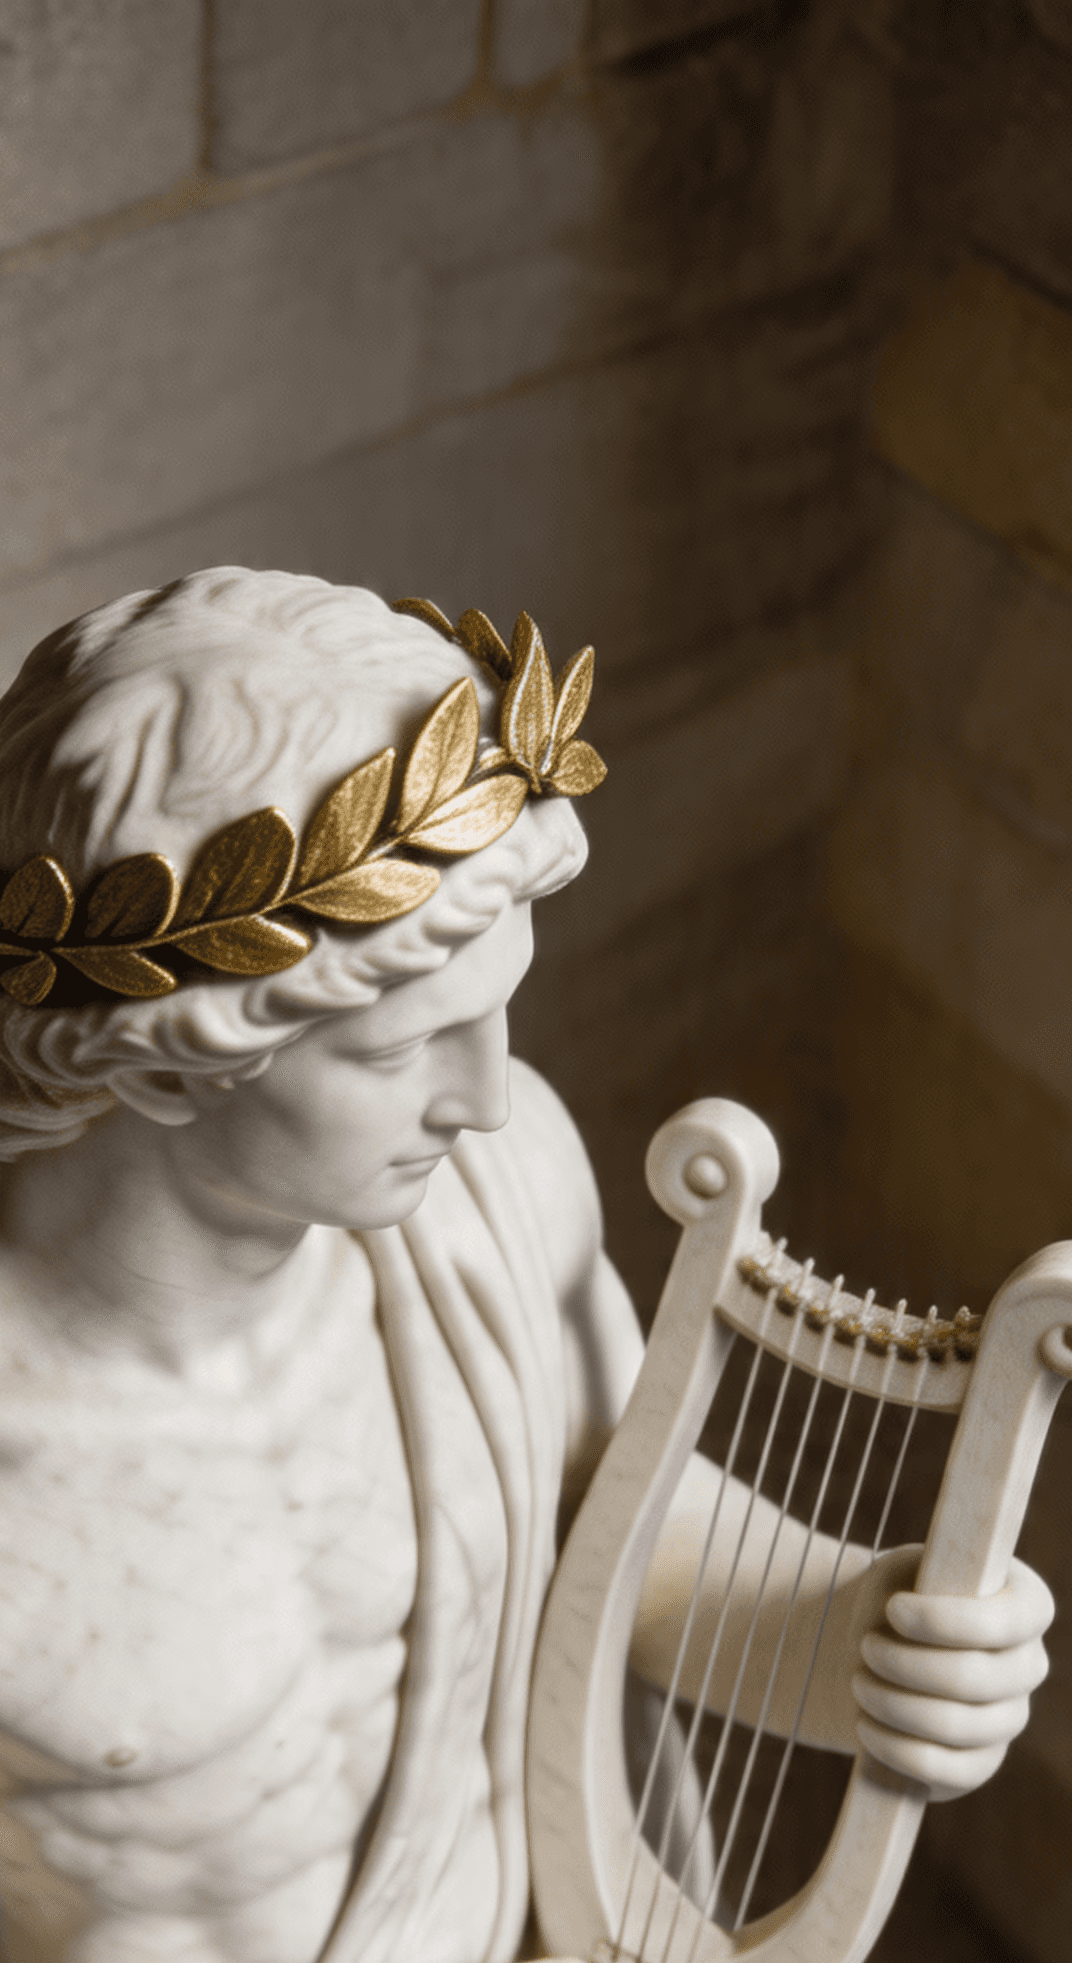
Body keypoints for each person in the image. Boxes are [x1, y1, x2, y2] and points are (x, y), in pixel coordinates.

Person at [0, 571, 1052, 1963]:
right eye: (399, 1049)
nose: (488, 1097)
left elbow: (615, 1531)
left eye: (497, 1011)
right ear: (163, 1060)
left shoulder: (490, 1199)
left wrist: (865, 1641)